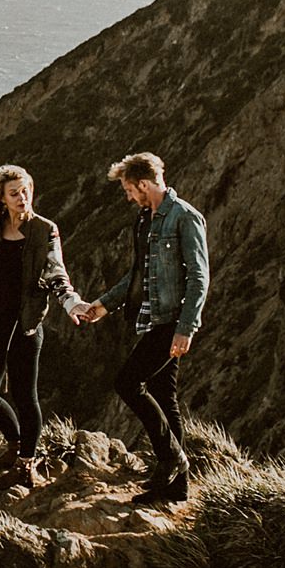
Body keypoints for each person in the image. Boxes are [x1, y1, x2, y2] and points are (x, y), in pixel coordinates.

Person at [75, 152, 209, 503]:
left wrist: (187, 327)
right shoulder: (144, 221)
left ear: (144, 184)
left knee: (127, 382)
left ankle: (172, 460)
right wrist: (103, 305)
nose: (128, 196)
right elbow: (138, 275)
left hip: (172, 322)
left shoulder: (185, 218)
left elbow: (199, 278)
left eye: (129, 190)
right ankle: (177, 489)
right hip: (152, 320)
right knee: (165, 397)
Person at [0, 164, 83, 478]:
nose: (22, 197)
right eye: (14, 193)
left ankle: (25, 463)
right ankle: (15, 444)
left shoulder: (45, 229)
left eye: (26, 190)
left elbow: (57, 273)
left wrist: (72, 304)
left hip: (26, 325)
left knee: (24, 395)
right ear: (2, 198)